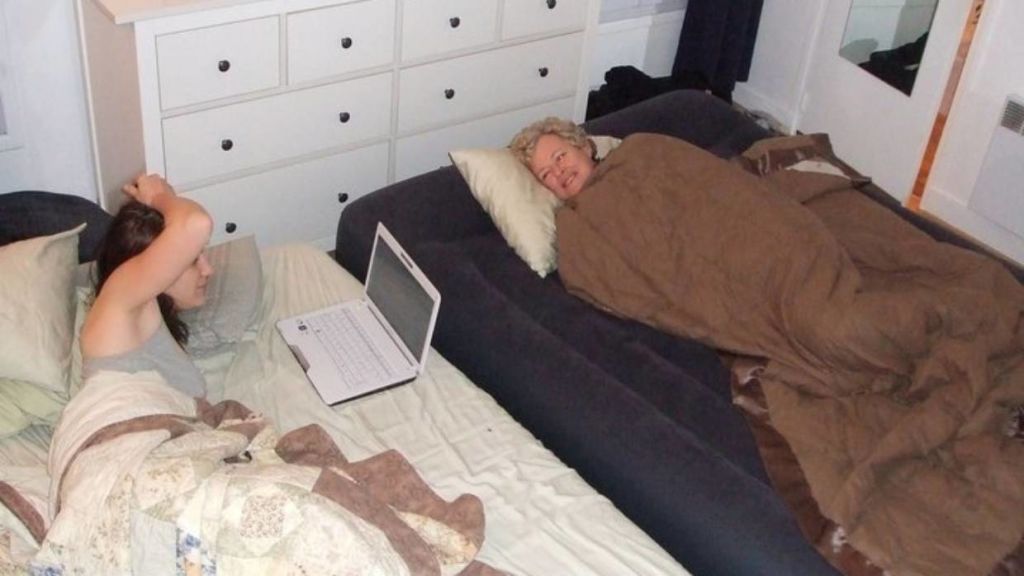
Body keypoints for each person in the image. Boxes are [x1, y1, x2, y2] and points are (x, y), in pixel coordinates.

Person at [81, 174, 213, 397]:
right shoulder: (119, 300)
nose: (208, 270)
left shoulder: (142, 309)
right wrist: (159, 197)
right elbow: (195, 224)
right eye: (192, 261)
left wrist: (163, 201)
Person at [509, 117, 598, 201]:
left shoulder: (611, 163)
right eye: (546, 174)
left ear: (585, 148)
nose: (558, 172)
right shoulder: (567, 216)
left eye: (560, 157)